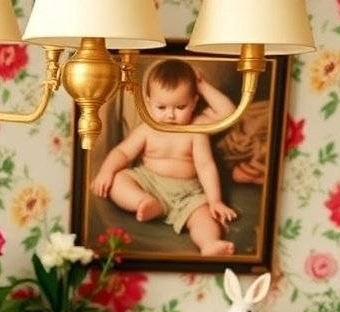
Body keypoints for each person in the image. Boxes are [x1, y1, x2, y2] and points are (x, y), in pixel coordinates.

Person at [91, 59, 238, 257]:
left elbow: (227, 116)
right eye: (161, 108)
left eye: (180, 107)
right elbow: (123, 153)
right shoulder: (147, 129)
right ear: (149, 103)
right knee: (118, 181)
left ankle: (210, 244)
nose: (170, 115)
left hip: (189, 194)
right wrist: (106, 172)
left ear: (194, 101)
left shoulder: (198, 126)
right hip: (149, 183)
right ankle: (145, 203)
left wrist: (215, 201)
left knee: (205, 218)